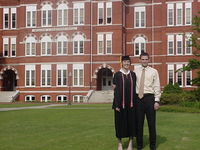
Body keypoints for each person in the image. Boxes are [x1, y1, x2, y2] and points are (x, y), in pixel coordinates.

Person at [134, 52, 161, 150]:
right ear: (140, 60)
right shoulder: (135, 71)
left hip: (150, 99)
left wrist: (157, 101)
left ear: (149, 60)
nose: (144, 61)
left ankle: (153, 146)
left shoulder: (154, 71)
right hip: (138, 99)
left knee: (151, 124)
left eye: (146, 59)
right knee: (139, 124)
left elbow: (157, 86)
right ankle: (139, 146)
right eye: (143, 59)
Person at [112, 56, 137, 150]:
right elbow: (115, 91)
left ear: (130, 63)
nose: (127, 63)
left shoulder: (133, 75)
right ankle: (120, 143)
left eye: (128, 62)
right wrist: (116, 104)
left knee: (131, 123)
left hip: (131, 104)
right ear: (122, 63)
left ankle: (130, 142)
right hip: (120, 104)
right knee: (119, 123)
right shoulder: (117, 75)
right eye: (125, 61)